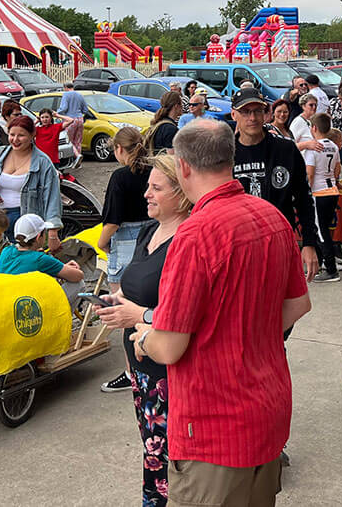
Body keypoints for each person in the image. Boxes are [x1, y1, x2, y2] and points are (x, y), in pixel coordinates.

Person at [128, 120, 312, 507]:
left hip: (212, 428)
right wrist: (245, 333)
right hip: (267, 411)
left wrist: (144, 334)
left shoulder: (195, 235)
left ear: (183, 167)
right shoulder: (271, 218)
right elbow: (298, 303)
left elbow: (171, 346)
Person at [95, 153, 194, 507]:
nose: (146, 194)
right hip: (140, 368)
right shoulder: (151, 230)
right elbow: (133, 284)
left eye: (156, 188)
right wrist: (112, 300)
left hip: (170, 370)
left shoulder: (188, 240)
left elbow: (186, 314)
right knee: (152, 447)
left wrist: (138, 315)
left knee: (170, 456)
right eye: (148, 187)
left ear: (181, 194)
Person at [231, 88, 321, 283]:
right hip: (238, 246)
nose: (252, 118)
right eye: (246, 112)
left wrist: (309, 243)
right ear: (233, 114)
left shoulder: (286, 149)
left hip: (279, 243)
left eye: (257, 111)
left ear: (266, 114)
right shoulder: (225, 154)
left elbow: (304, 198)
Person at [97, 126, 152, 393]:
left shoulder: (120, 177)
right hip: (153, 236)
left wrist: (101, 242)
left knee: (123, 310)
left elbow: (113, 221)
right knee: (148, 304)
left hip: (127, 240)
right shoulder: (154, 171)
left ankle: (131, 371)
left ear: (119, 149)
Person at [0, 115, 62, 250]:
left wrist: (53, 233)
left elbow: (52, 198)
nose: (15, 140)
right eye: (12, 134)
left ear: (32, 135)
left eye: (21, 135)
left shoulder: (43, 162)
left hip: (24, 223)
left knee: (19, 265)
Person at [0, 214, 83, 314]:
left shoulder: (6, 251)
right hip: (25, 312)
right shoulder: (40, 259)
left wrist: (63, 267)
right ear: (38, 237)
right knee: (78, 284)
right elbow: (78, 276)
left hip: (4, 305)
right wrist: (64, 268)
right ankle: (57, 322)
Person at [304, 113, 342, 283]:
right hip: (332, 190)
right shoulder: (333, 146)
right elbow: (337, 169)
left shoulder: (313, 148)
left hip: (319, 193)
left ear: (314, 128)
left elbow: (310, 174)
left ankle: (331, 269)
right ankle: (322, 263)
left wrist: (307, 191)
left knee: (321, 230)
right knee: (324, 228)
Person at [58, 82, 90, 153]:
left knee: (69, 141)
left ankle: (72, 159)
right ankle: (78, 157)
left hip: (70, 120)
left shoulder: (66, 95)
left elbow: (64, 108)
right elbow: (85, 110)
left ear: (65, 87)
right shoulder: (80, 95)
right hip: (80, 119)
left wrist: (57, 113)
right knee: (78, 142)